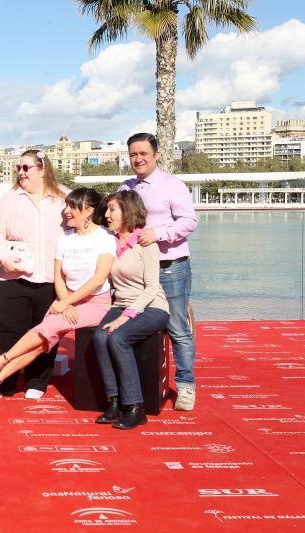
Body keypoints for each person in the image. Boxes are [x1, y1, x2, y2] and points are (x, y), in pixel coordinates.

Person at [0, 188, 114, 411]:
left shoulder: (105, 237)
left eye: (72, 207)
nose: (66, 211)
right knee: (40, 344)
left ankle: (1, 361)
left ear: (88, 211)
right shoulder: (65, 237)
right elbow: (58, 275)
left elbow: (98, 280)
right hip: (68, 299)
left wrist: (67, 303)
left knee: (47, 325)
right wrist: (65, 300)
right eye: (66, 206)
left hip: (95, 303)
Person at [119, 133, 198, 411]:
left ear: (156, 155)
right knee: (135, 325)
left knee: (177, 327)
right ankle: (143, 382)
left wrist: (158, 234)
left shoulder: (172, 185)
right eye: (133, 154)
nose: (138, 159)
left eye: (143, 154)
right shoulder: (126, 187)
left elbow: (190, 221)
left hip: (170, 266)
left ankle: (186, 386)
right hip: (138, 274)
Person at [0, 149, 69, 399]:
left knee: (46, 332)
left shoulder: (64, 197)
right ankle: (5, 381)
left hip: (50, 278)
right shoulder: (9, 199)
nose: (21, 173)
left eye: (27, 168)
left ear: (43, 169)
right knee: (8, 331)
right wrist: (4, 259)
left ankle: (37, 381)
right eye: (18, 168)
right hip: (12, 277)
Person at [93, 191, 170, 428]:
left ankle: (135, 407)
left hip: (152, 306)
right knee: (98, 337)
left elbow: (151, 288)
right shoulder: (108, 242)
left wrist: (126, 317)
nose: (107, 215)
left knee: (118, 337)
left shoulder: (145, 243)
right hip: (121, 303)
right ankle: (114, 401)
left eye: (112, 210)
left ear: (127, 211)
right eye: (106, 210)